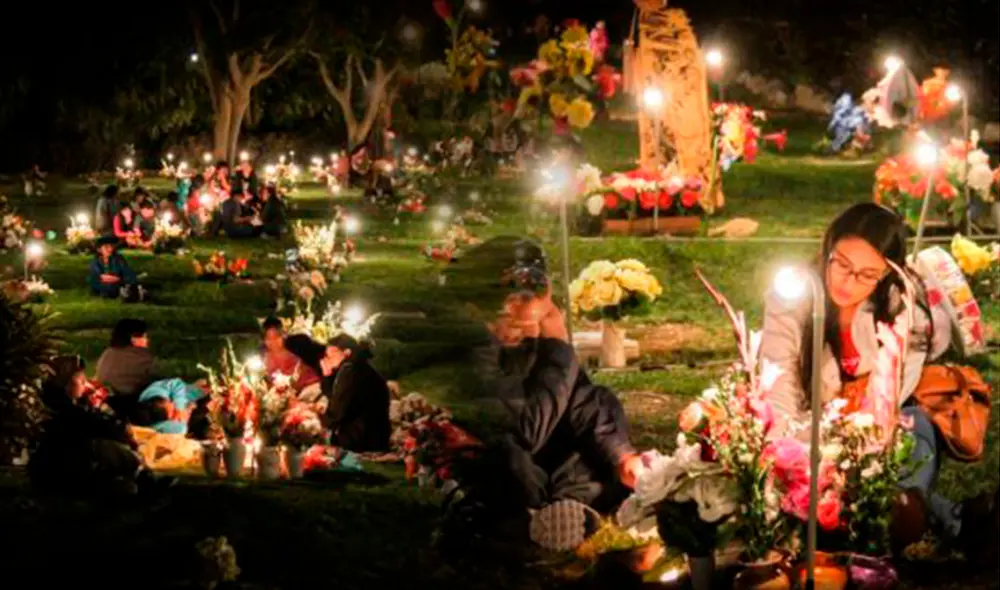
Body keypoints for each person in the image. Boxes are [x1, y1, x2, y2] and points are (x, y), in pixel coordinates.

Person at [760, 202, 998, 563]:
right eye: (841, 263)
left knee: (904, 458)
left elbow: (887, 404)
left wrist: (851, 450)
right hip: (805, 427)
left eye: (867, 274)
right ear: (827, 247)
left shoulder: (905, 310)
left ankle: (908, 512)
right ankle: (956, 520)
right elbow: (779, 387)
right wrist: (800, 454)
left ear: (887, 274)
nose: (848, 280)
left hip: (882, 428)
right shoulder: (793, 296)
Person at [27, 355, 174, 496]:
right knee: (114, 456)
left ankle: (141, 482)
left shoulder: (63, 406)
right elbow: (106, 427)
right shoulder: (64, 411)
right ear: (66, 383)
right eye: (81, 380)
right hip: (63, 473)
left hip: (62, 470)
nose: (85, 384)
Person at [317, 334, 392, 452]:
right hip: (376, 437)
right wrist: (327, 376)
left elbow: (337, 412)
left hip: (362, 439)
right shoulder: (359, 366)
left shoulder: (349, 370)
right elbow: (336, 397)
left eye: (331, 355)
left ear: (346, 353)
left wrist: (318, 421)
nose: (327, 359)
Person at [96, 318, 158, 418]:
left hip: (107, 403)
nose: (147, 341)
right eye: (144, 337)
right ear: (133, 339)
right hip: (133, 408)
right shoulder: (143, 358)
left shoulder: (107, 353)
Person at [261, 317, 322, 393]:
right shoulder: (265, 356)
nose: (273, 342)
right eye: (268, 339)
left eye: (276, 337)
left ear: (283, 335)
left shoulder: (295, 349)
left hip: (309, 388)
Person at [137, 378, 206, 434]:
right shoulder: (154, 425)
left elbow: (177, 384)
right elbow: (181, 429)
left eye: (171, 404)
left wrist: (179, 407)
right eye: (172, 413)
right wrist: (184, 415)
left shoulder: (155, 391)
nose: (175, 411)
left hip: (186, 393)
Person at [88, 236, 143, 301]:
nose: (110, 249)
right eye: (106, 247)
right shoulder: (95, 262)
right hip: (105, 285)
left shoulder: (118, 259)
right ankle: (125, 292)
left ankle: (131, 292)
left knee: (131, 277)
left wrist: (124, 278)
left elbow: (126, 271)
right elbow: (102, 277)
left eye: (111, 246)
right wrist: (120, 279)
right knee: (102, 285)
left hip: (118, 283)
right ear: (99, 250)